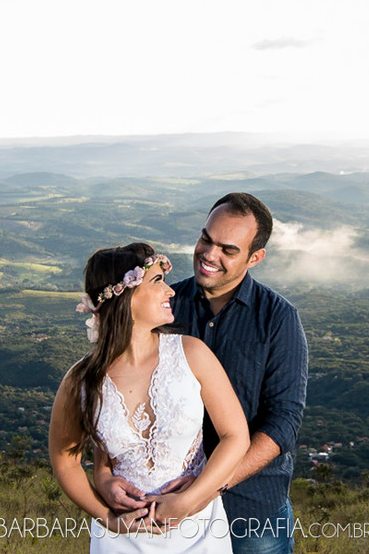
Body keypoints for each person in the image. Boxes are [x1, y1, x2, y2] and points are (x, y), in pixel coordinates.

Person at [96, 194, 309, 554]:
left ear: (254, 257)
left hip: (251, 512)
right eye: (206, 239)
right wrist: (103, 475)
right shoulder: (161, 305)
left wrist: (207, 489)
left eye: (228, 249)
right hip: (156, 513)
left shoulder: (278, 319)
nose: (210, 255)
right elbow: (114, 393)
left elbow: (283, 422)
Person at [50, 243, 249, 552]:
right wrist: (107, 518)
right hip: (121, 539)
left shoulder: (192, 354)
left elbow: (235, 436)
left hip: (198, 532)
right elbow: (65, 462)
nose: (170, 292)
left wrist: (189, 501)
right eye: (157, 282)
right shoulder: (81, 381)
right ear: (124, 296)